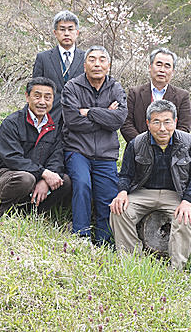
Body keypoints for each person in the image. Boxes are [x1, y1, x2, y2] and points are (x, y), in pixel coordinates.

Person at [110, 100, 191, 269]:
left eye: (167, 122)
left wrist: (187, 201)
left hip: (175, 194)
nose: (162, 128)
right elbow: (125, 174)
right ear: (148, 123)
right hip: (143, 192)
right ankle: (131, 262)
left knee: (185, 218)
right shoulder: (137, 144)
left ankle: (176, 269)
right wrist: (122, 192)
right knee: (119, 211)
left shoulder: (188, 142)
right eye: (156, 122)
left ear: (175, 122)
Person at [62, 45, 127, 244]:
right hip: (77, 150)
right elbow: (72, 121)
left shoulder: (115, 87)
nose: (97, 64)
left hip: (106, 153)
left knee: (107, 194)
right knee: (82, 184)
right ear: (84, 65)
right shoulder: (72, 87)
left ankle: (103, 240)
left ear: (108, 65)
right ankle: (81, 235)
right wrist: (105, 114)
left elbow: (118, 120)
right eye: (92, 59)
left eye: (101, 60)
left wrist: (89, 112)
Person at [0, 77, 72, 216]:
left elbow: (57, 159)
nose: (42, 102)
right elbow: (12, 158)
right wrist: (43, 173)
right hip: (2, 176)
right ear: (27, 97)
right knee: (25, 179)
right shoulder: (12, 123)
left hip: (34, 176)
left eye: (47, 97)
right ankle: (0, 210)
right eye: (37, 96)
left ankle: (28, 213)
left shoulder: (54, 127)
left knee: (63, 181)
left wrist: (46, 181)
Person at [121, 47, 191, 142]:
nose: (162, 70)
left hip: (170, 154)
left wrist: (165, 145)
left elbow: (184, 128)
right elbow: (126, 124)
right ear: (150, 67)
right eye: (158, 64)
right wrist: (144, 145)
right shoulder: (135, 93)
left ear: (173, 72)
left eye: (167, 66)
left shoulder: (182, 96)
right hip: (138, 152)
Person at [33, 10, 85, 125]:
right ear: (55, 33)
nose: (66, 33)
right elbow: (34, 89)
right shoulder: (43, 58)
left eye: (70, 29)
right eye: (62, 29)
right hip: (49, 117)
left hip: (78, 118)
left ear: (77, 32)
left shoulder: (87, 58)